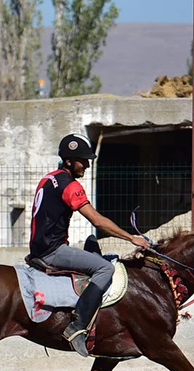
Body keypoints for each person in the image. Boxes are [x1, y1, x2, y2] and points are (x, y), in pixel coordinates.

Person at [30, 133, 149, 357]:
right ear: (68, 161)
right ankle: (78, 327)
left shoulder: (48, 178)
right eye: (82, 160)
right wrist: (132, 238)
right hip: (52, 251)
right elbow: (97, 220)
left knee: (91, 244)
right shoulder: (70, 186)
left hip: (39, 247)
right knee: (105, 267)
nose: (86, 164)